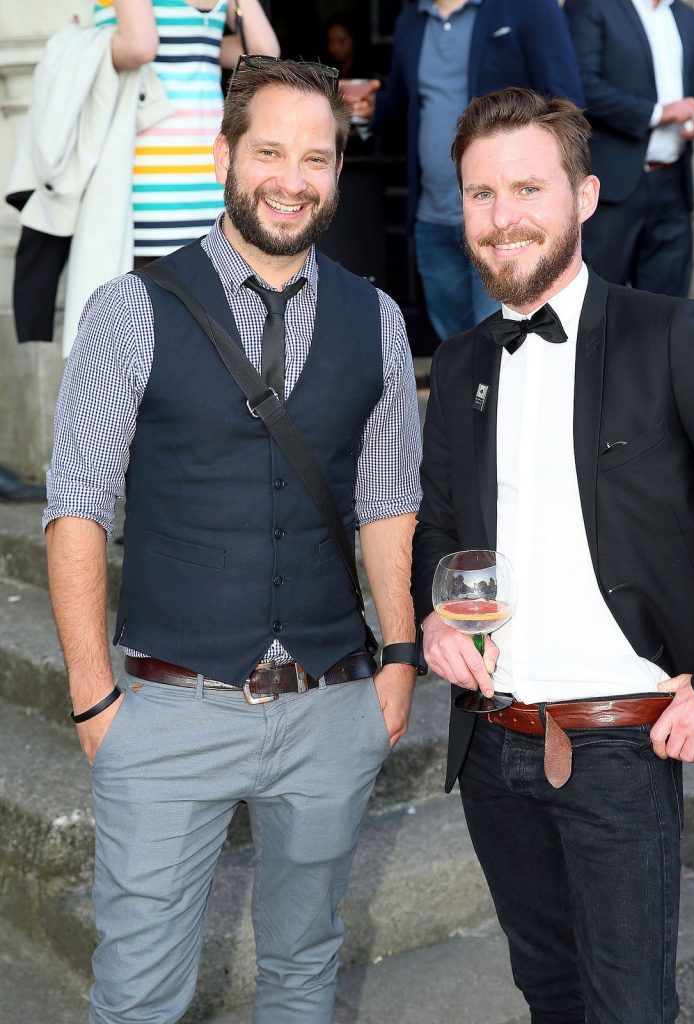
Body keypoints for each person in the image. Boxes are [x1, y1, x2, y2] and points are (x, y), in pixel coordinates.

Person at [411, 87, 694, 1023]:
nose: (502, 218)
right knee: (548, 993)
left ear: (586, 196)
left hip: (619, 747)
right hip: (492, 742)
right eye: (480, 195)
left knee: (629, 1007)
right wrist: (435, 613)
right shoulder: (460, 366)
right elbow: (437, 529)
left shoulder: (669, 334)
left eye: (527, 188)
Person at [44, 60, 422, 1024]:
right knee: (137, 995)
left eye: (315, 157)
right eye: (268, 152)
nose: (289, 179)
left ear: (339, 171)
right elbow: (77, 506)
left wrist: (400, 662)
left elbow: (386, 500)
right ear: (223, 154)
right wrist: (94, 700)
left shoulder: (376, 319)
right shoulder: (129, 309)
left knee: (303, 970)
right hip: (172, 709)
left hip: (332, 704)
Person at [348, 0, 583, 342]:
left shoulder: (531, 7)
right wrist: (371, 109)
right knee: (458, 347)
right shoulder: (411, 19)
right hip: (434, 215)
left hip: (506, 220)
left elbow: (566, 107)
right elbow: (404, 104)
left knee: (507, 343)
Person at [96, 0, 279, 267]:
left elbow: (264, 55)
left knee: (167, 290)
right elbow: (140, 46)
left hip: (177, 168)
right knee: (171, 289)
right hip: (179, 165)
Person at [566, 0, 694, 297]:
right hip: (613, 187)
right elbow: (583, 85)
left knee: (668, 309)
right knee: (598, 303)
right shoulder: (592, 7)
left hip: (674, 184)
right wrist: (658, 114)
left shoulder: (685, 15)